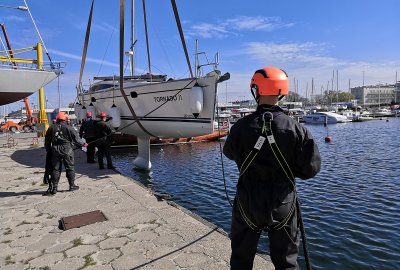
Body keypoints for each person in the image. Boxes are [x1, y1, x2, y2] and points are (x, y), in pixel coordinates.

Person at [223, 66, 321, 270]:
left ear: (256, 90)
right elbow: (310, 169)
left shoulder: (240, 127)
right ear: (282, 92)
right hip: (282, 202)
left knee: (241, 260)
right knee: (287, 264)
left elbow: (230, 153)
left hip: (247, 201)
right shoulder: (297, 129)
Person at [43, 112, 87, 195]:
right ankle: (72, 185)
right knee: (70, 167)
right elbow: (77, 140)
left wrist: (49, 151)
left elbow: (47, 142)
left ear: (57, 119)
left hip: (55, 150)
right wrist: (84, 144)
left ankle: (54, 188)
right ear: (65, 119)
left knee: (55, 169)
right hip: (67, 149)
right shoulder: (69, 128)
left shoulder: (51, 128)